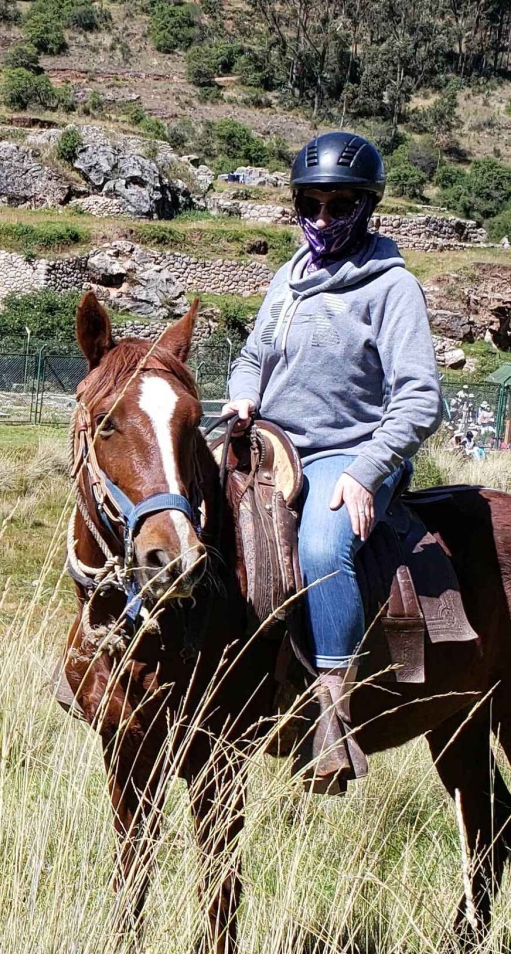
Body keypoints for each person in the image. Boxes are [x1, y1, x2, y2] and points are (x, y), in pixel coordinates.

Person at [221, 131, 442, 792]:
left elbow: (420, 397)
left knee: (320, 545)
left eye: (338, 204)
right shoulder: (286, 282)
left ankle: (332, 720)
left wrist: (366, 469)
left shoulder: (392, 286)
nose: (322, 219)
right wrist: (242, 399)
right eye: (311, 204)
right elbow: (253, 360)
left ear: (365, 206)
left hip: (352, 452)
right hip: (276, 447)